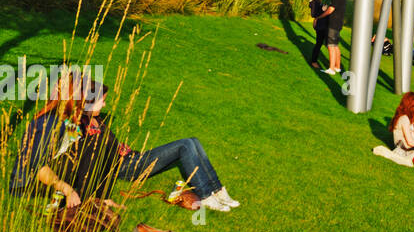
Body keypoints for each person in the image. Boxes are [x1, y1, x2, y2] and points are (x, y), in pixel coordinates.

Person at [8, 74, 240, 212]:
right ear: (83, 101)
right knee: (185, 146)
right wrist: (72, 191)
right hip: (28, 183)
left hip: (119, 158)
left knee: (192, 141)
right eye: (101, 100)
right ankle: (208, 195)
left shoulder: (78, 121)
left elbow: (79, 159)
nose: (105, 106)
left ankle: (217, 190)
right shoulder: (52, 125)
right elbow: (39, 167)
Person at [318, 0, 346, 75]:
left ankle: (331, 69)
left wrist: (319, 17)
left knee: (331, 46)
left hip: (333, 25)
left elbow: (330, 10)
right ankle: (337, 67)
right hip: (338, 25)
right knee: (335, 46)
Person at [307, 0, 327, 69]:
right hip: (320, 25)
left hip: (321, 24)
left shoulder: (317, 2)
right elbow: (314, 14)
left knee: (320, 43)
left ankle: (314, 60)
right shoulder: (315, 2)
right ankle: (313, 61)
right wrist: (323, 10)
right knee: (319, 43)